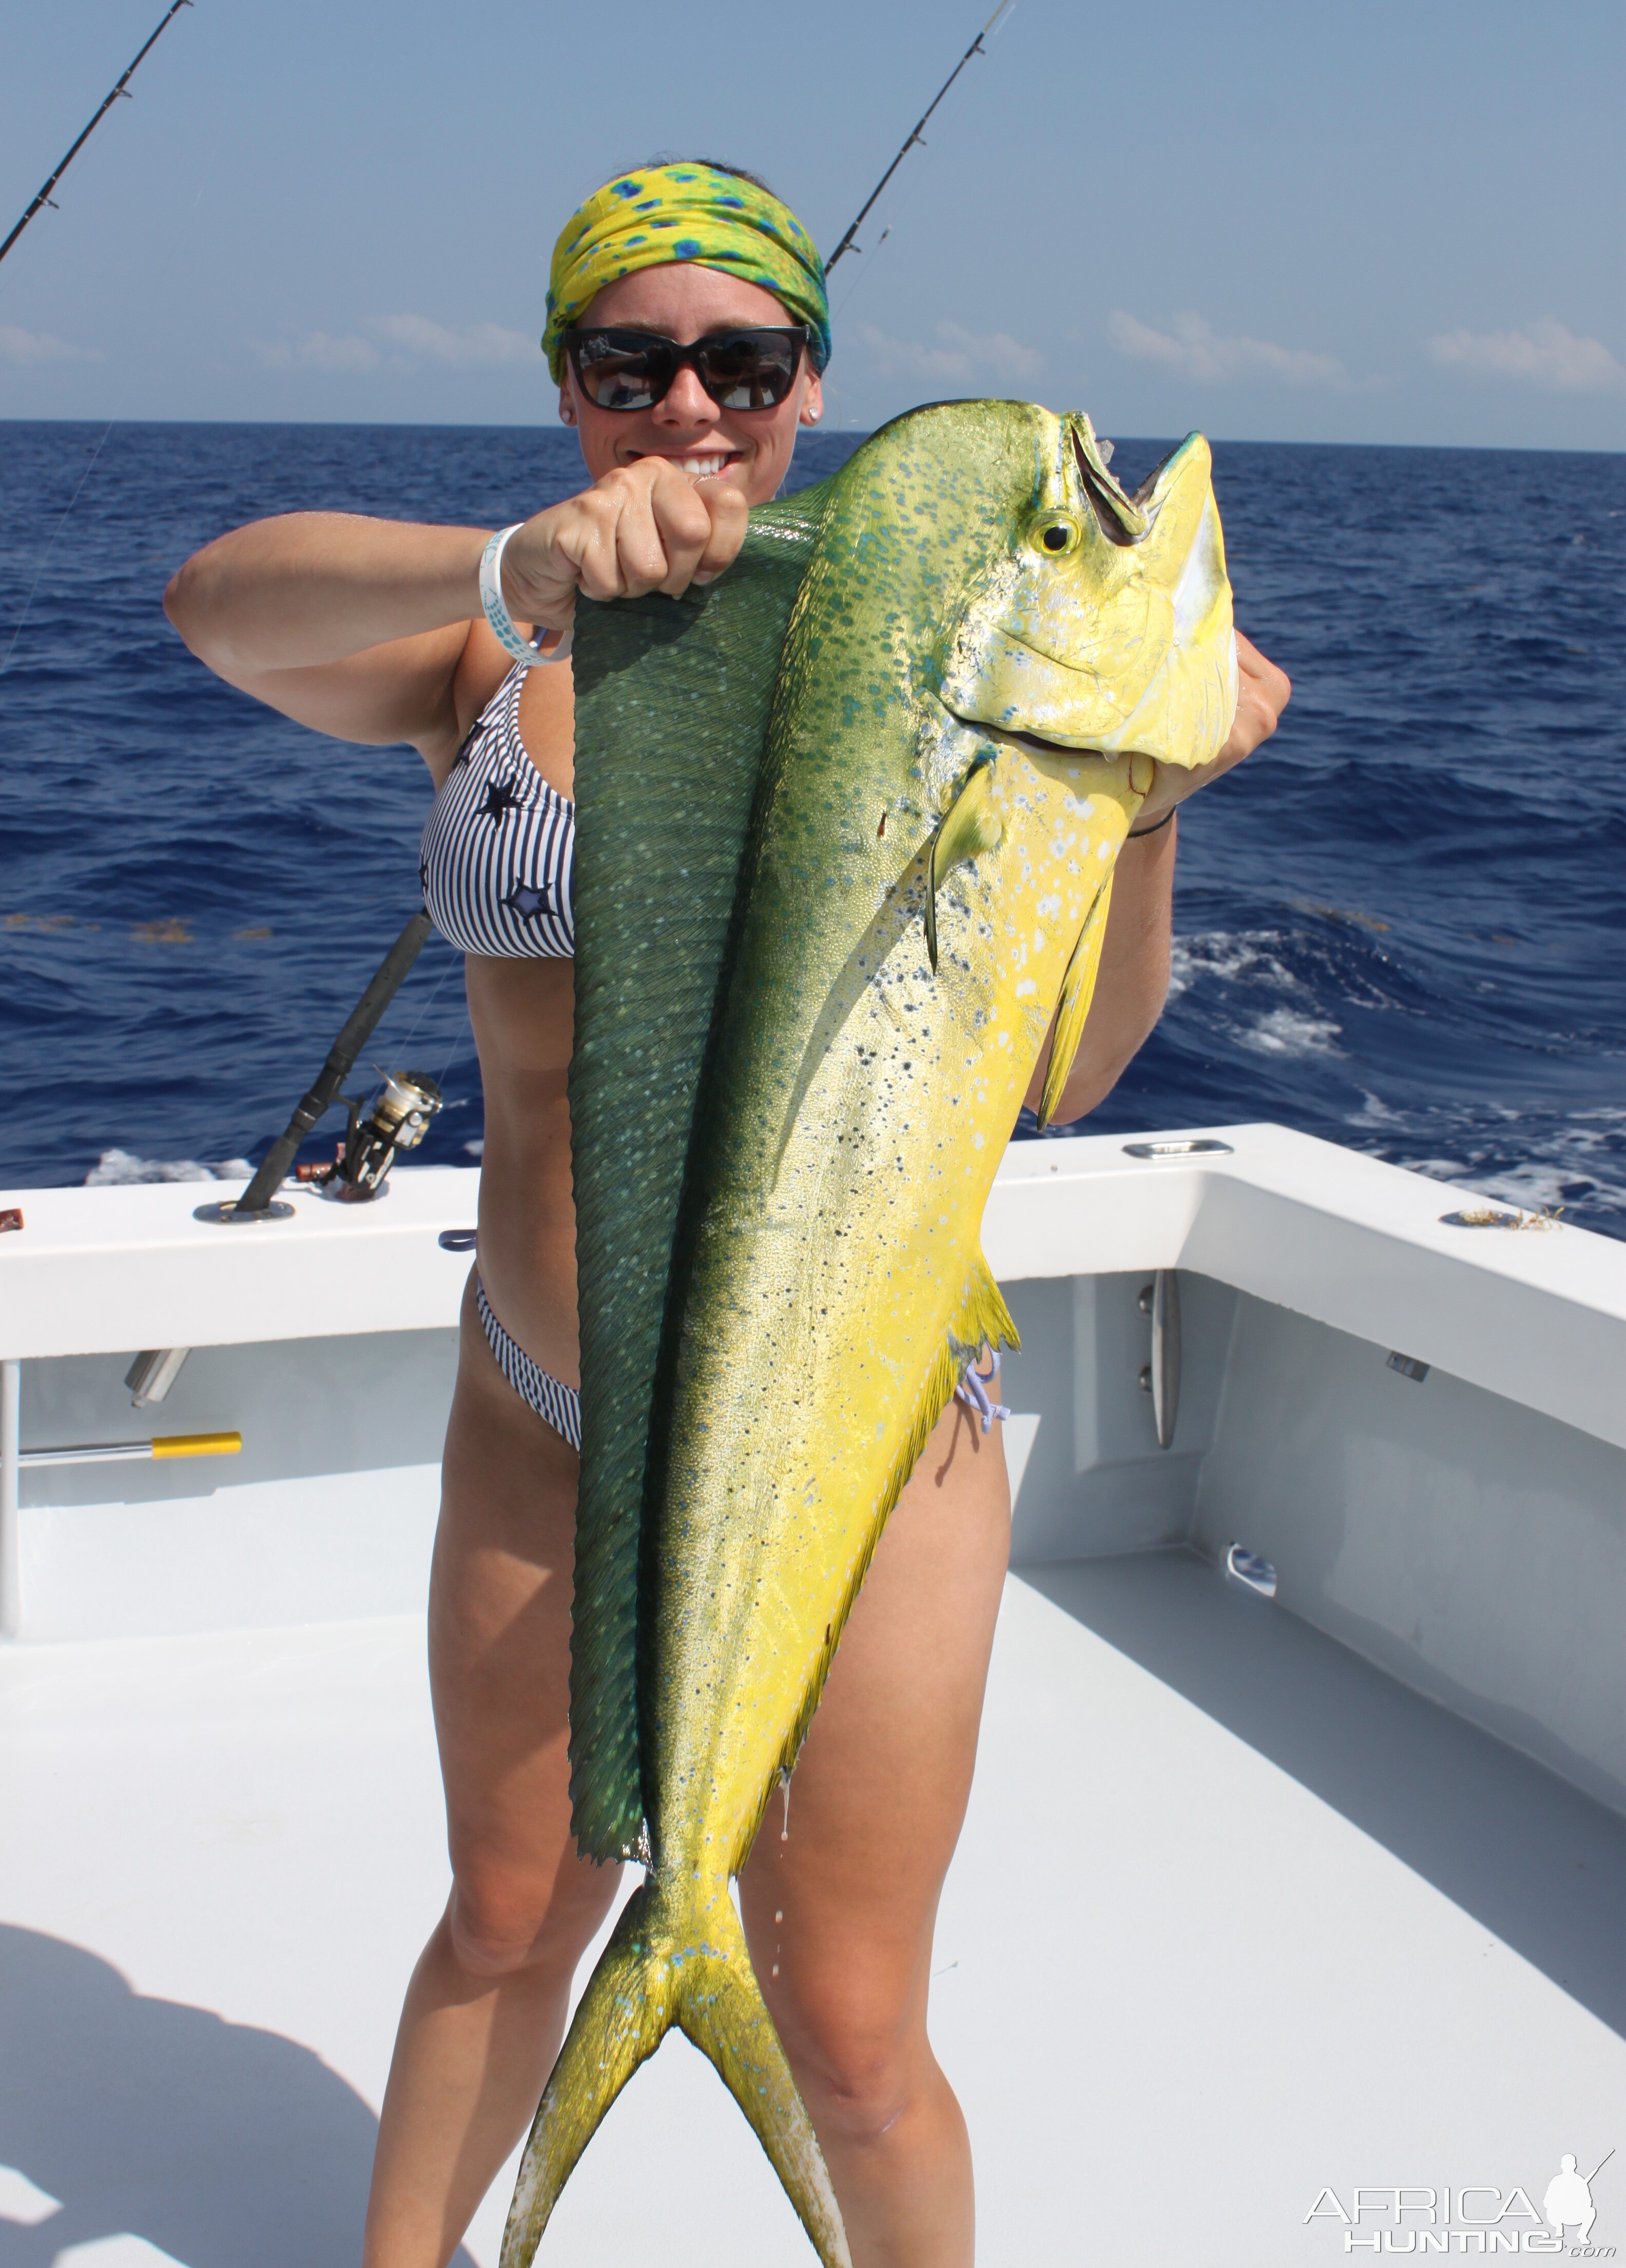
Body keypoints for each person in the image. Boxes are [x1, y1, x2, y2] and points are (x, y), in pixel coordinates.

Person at [165, 159, 1289, 2268]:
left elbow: (1078, 1070)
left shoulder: (940, 672)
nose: (691, 408)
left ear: (813, 377)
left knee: (852, 2027)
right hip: (544, 1402)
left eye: (743, 360)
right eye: (629, 361)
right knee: (508, 1920)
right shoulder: (487, 642)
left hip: (868, 1438)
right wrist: (518, 562)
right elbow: (221, 605)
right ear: (567, 382)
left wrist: (1144, 813)